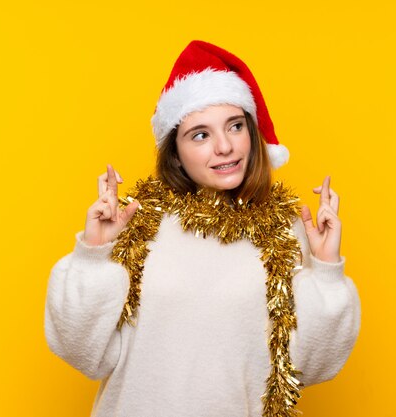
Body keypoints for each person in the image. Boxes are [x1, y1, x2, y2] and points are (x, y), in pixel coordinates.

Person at [44, 40, 361, 417]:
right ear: (175, 151)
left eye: (235, 126)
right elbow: (85, 354)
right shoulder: (137, 221)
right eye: (200, 134)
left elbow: (309, 367)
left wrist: (325, 271)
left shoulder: (286, 231)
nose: (225, 146)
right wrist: (94, 256)